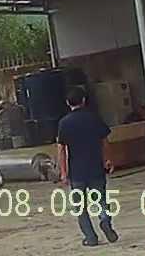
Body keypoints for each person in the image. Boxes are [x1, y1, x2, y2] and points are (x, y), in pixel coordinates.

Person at [57, 85, 119, 247]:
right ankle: (105, 220)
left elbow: (61, 149)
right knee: (101, 200)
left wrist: (63, 172)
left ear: (67, 103)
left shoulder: (64, 123)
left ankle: (90, 237)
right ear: (84, 100)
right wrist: (108, 160)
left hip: (76, 172)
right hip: (96, 168)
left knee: (80, 207)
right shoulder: (94, 118)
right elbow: (105, 142)